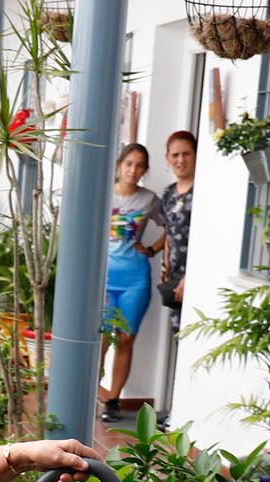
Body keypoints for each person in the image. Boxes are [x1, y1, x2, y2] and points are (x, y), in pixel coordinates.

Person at [99, 143, 162, 424]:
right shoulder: (102, 193)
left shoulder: (149, 199)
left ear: (145, 170)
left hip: (135, 279)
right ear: (119, 165)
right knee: (100, 337)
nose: (133, 170)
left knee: (125, 339)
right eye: (129, 164)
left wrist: (151, 250)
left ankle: (112, 400)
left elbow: (173, 226)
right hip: (103, 279)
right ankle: (91, 390)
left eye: (139, 166)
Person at [148, 130, 197, 337]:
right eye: (175, 155)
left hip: (194, 274)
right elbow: (168, 231)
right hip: (174, 276)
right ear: (167, 158)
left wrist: (191, 277)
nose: (180, 160)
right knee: (179, 333)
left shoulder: (203, 189)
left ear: (195, 154)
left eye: (186, 154)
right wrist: (165, 264)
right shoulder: (169, 193)